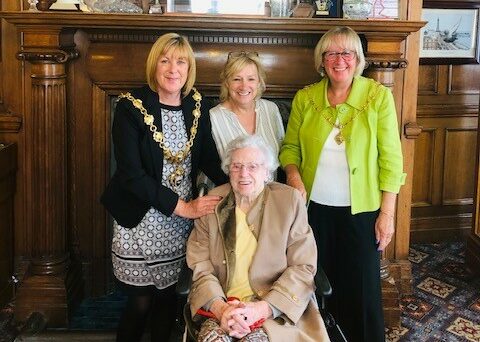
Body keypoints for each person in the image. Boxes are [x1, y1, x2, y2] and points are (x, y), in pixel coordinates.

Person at [279, 26, 406, 342]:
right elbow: (289, 149)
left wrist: (387, 215)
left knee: (361, 291)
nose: (340, 60)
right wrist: (294, 176)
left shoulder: (378, 97)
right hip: (313, 212)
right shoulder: (306, 98)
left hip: (361, 213)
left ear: (358, 59)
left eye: (347, 52)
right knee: (317, 287)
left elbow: (391, 162)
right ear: (322, 60)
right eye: (332, 53)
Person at [101, 32, 227, 342]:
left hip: (178, 226)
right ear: (154, 65)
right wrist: (184, 207)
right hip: (139, 218)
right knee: (141, 301)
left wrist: (241, 183)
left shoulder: (196, 104)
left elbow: (208, 158)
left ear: (189, 68)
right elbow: (131, 175)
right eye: (165, 60)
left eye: (181, 61)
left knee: (168, 300)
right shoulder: (130, 107)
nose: (173, 69)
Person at [187, 135, 329, 342]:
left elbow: (303, 266)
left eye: (253, 166)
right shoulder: (212, 203)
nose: (243, 174)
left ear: (267, 172)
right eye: (236, 166)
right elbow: (200, 264)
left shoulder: (289, 202)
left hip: (275, 308)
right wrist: (221, 308)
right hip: (224, 306)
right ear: (228, 170)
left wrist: (262, 309)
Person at [209, 51, 285, 171]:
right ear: (227, 83)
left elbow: (284, 153)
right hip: (227, 188)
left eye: (251, 79)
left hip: (271, 188)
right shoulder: (212, 117)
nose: (244, 86)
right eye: (237, 79)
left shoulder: (271, 109)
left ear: (259, 82)